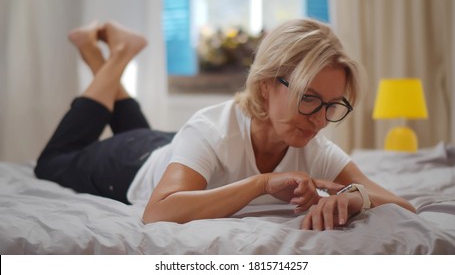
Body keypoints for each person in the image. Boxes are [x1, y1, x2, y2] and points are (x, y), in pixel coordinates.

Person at [35, 19, 415, 231]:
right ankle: (120, 53)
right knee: (51, 162)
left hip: (172, 147)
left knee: (168, 141)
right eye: (308, 97)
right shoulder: (213, 129)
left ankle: (98, 50)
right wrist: (261, 184)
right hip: (129, 164)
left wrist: (354, 198)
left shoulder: (311, 145)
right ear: (267, 85)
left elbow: (402, 206)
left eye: (332, 105)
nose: (319, 119)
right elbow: (158, 212)